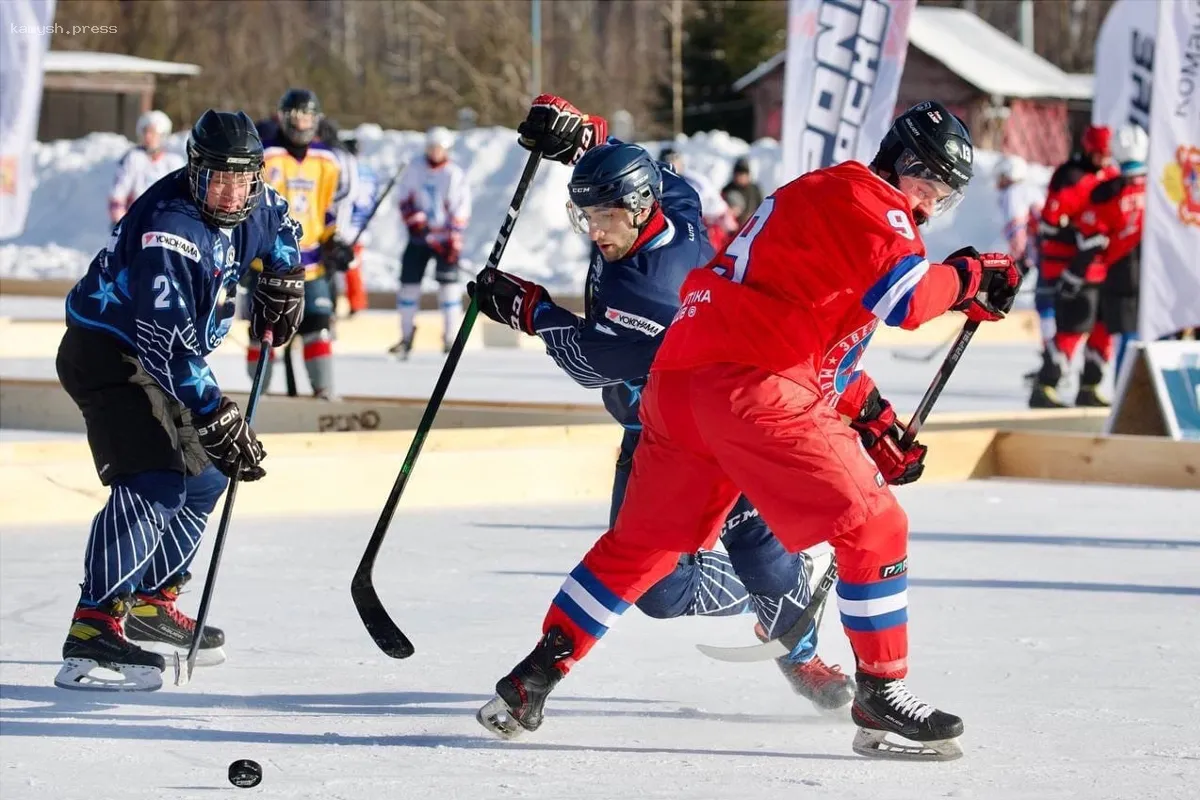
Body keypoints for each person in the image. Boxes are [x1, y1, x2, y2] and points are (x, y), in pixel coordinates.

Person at [477, 101, 1021, 761]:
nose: (930, 204)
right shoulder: (875, 205)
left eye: (944, 194)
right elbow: (908, 302)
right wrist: (971, 276)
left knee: (643, 546)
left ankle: (533, 677)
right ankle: (881, 691)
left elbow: (818, 339)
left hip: (683, 387)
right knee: (876, 526)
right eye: (925, 183)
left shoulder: (815, 200)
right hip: (755, 391)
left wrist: (872, 416)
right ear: (897, 164)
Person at [468, 94, 854, 714]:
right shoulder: (670, 200)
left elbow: (589, 363)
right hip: (655, 425)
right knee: (658, 589)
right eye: (585, 216)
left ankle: (798, 643)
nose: (595, 232)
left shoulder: (649, 290)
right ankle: (768, 603)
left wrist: (529, 310)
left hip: (722, 422)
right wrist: (580, 138)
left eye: (605, 218)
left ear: (638, 209)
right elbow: (640, 165)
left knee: (757, 545)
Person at [55, 110, 305, 692]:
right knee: (153, 483)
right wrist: (213, 410)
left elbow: (283, 227)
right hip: (111, 354)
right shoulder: (169, 227)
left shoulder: (255, 199)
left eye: (242, 178)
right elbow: (162, 339)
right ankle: (93, 624)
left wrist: (284, 278)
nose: (230, 191)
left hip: (164, 360)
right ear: (194, 172)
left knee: (208, 476)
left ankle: (150, 601)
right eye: (217, 177)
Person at [251, 89, 349, 399]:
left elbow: (328, 209)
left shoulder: (327, 161)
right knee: (264, 334)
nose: (301, 123)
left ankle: (324, 396)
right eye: (295, 116)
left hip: (312, 264)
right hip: (269, 264)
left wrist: (335, 241)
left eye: (307, 116)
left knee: (318, 327)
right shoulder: (265, 156)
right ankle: (259, 397)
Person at [1030, 125, 1119, 407]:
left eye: (1107, 155)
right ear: (1088, 149)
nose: (1103, 160)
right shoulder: (1070, 177)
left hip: (1101, 267)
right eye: (1099, 154)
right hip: (1068, 267)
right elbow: (1049, 224)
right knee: (1074, 324)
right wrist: (1082, 234)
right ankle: (1045, 386)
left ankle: (1089, 386)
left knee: (1103, 327)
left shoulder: (1110, 176)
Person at [1055, 124, 1148, 389]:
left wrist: (1074, 274)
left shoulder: (1107, 192)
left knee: (1128, 340)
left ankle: (1127, 397)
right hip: (1154, 275)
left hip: (1120, 274)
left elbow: (1090, 239)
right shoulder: (1160, 188)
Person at [391, 126, 472, 358]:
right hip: (419, 238)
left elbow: (461, 207)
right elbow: (404, 198)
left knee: (449, 289)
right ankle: (406, 336)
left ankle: (450, 338)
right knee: (409, 286)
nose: (435, 152)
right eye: (431, 148)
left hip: (444, 239)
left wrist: (453, 240)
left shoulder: (454, 174)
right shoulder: (414, 169)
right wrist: (416, 221)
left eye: (439, 148)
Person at [109, 110, 186, 223]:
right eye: (145, 132)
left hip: (165, 223)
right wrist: (123, 223)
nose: (148, 136)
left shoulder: (174, 162)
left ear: (162, 134)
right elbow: (118, 194)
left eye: (152, 132)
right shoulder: (133, 158)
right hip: (136, 221)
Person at [661, 147, 739, 252]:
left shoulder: (693, 180)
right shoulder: (661, 180)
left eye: (674, 160)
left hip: (705, 224)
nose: (671, 164)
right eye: (667, 161)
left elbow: (708, 200)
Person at [721, 157, 765, 228]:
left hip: (752, 226)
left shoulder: (754, 189)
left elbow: (762, 208)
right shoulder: (728, 190)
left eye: (742, 174)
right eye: (737, 174)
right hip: (733, 229)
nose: (740, 177)